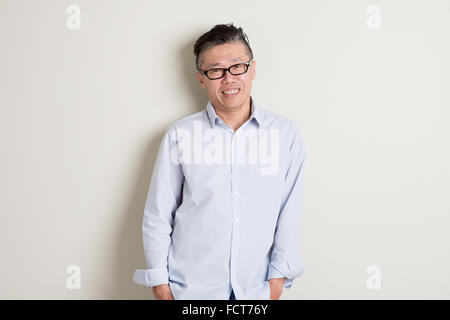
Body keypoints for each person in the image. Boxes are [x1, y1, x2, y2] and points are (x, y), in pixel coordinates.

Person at [133, 23, 306, 300]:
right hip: (189, 291)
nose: (228, 78)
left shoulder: (285, 134)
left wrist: (274, 287)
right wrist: (162, 289)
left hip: (255, 290)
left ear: (252, 69)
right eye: (216, 71)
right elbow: (158, 214)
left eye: (237, 66)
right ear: (202, 79)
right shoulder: (180, 135)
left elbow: (290, 212)